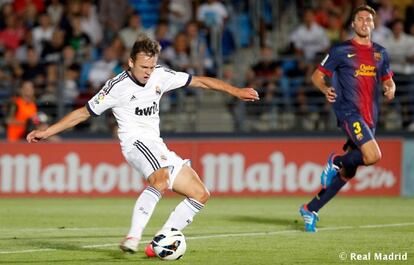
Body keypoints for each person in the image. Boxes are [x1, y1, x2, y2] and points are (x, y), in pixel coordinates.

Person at [26, 34, 259, 253]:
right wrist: (48, 132)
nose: (148, 72)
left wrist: (235, 90)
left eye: (151, 66)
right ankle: (133, 237)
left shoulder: (160, 75)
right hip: (135, 143)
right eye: (143, 67)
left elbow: (198, 81)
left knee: (200, 193)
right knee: (161, 179)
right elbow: (83, 113)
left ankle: (161, 239)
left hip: (157, 145)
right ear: (130, 62)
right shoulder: (116, 87)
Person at [299, 5, 396, 232]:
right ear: (353, 24)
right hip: (349, 112)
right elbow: (317, 76)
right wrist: (324, 89)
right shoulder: (341, 51)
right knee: (373, 156)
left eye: (368, 20)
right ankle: (336, 160)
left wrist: (391, 88)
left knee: (348, 172)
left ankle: (310, 208)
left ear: (373, 24)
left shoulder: (381, 53)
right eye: (360, 19)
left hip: (370, 117)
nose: (364, 23)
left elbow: (388, 79)